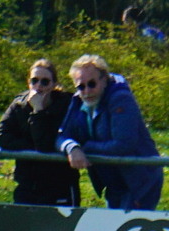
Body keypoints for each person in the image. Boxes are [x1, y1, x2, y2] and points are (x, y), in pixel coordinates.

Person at [55, 54, 163, 211]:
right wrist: (72, 148)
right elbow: (62, 135)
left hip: (139, 181)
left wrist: (86, 147)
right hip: (114, 181)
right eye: (81, 86)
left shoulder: (121, 99)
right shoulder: (78, 101)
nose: (87, 91)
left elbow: (124, 144)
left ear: (104, 80)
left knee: (131, 226)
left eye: (92, 84)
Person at [0, 59, 79, 207]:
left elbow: (45, 145)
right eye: (34, 81)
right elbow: (3, 136)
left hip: (60, 184)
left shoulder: (66, 106)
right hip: (28, 183)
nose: (39, 86)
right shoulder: (19, 105)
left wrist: (38, 111)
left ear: (54, 84)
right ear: (28, 82)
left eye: (45, 82)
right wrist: (32, 147)